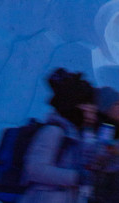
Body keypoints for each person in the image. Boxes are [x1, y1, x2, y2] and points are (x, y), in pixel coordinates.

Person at [21, 68, 96, 203]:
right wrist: (76, 177)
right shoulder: (53, 132)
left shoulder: (75, 134)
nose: (91, 109)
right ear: (73, 105)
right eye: (86, 104)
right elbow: (34, 169)